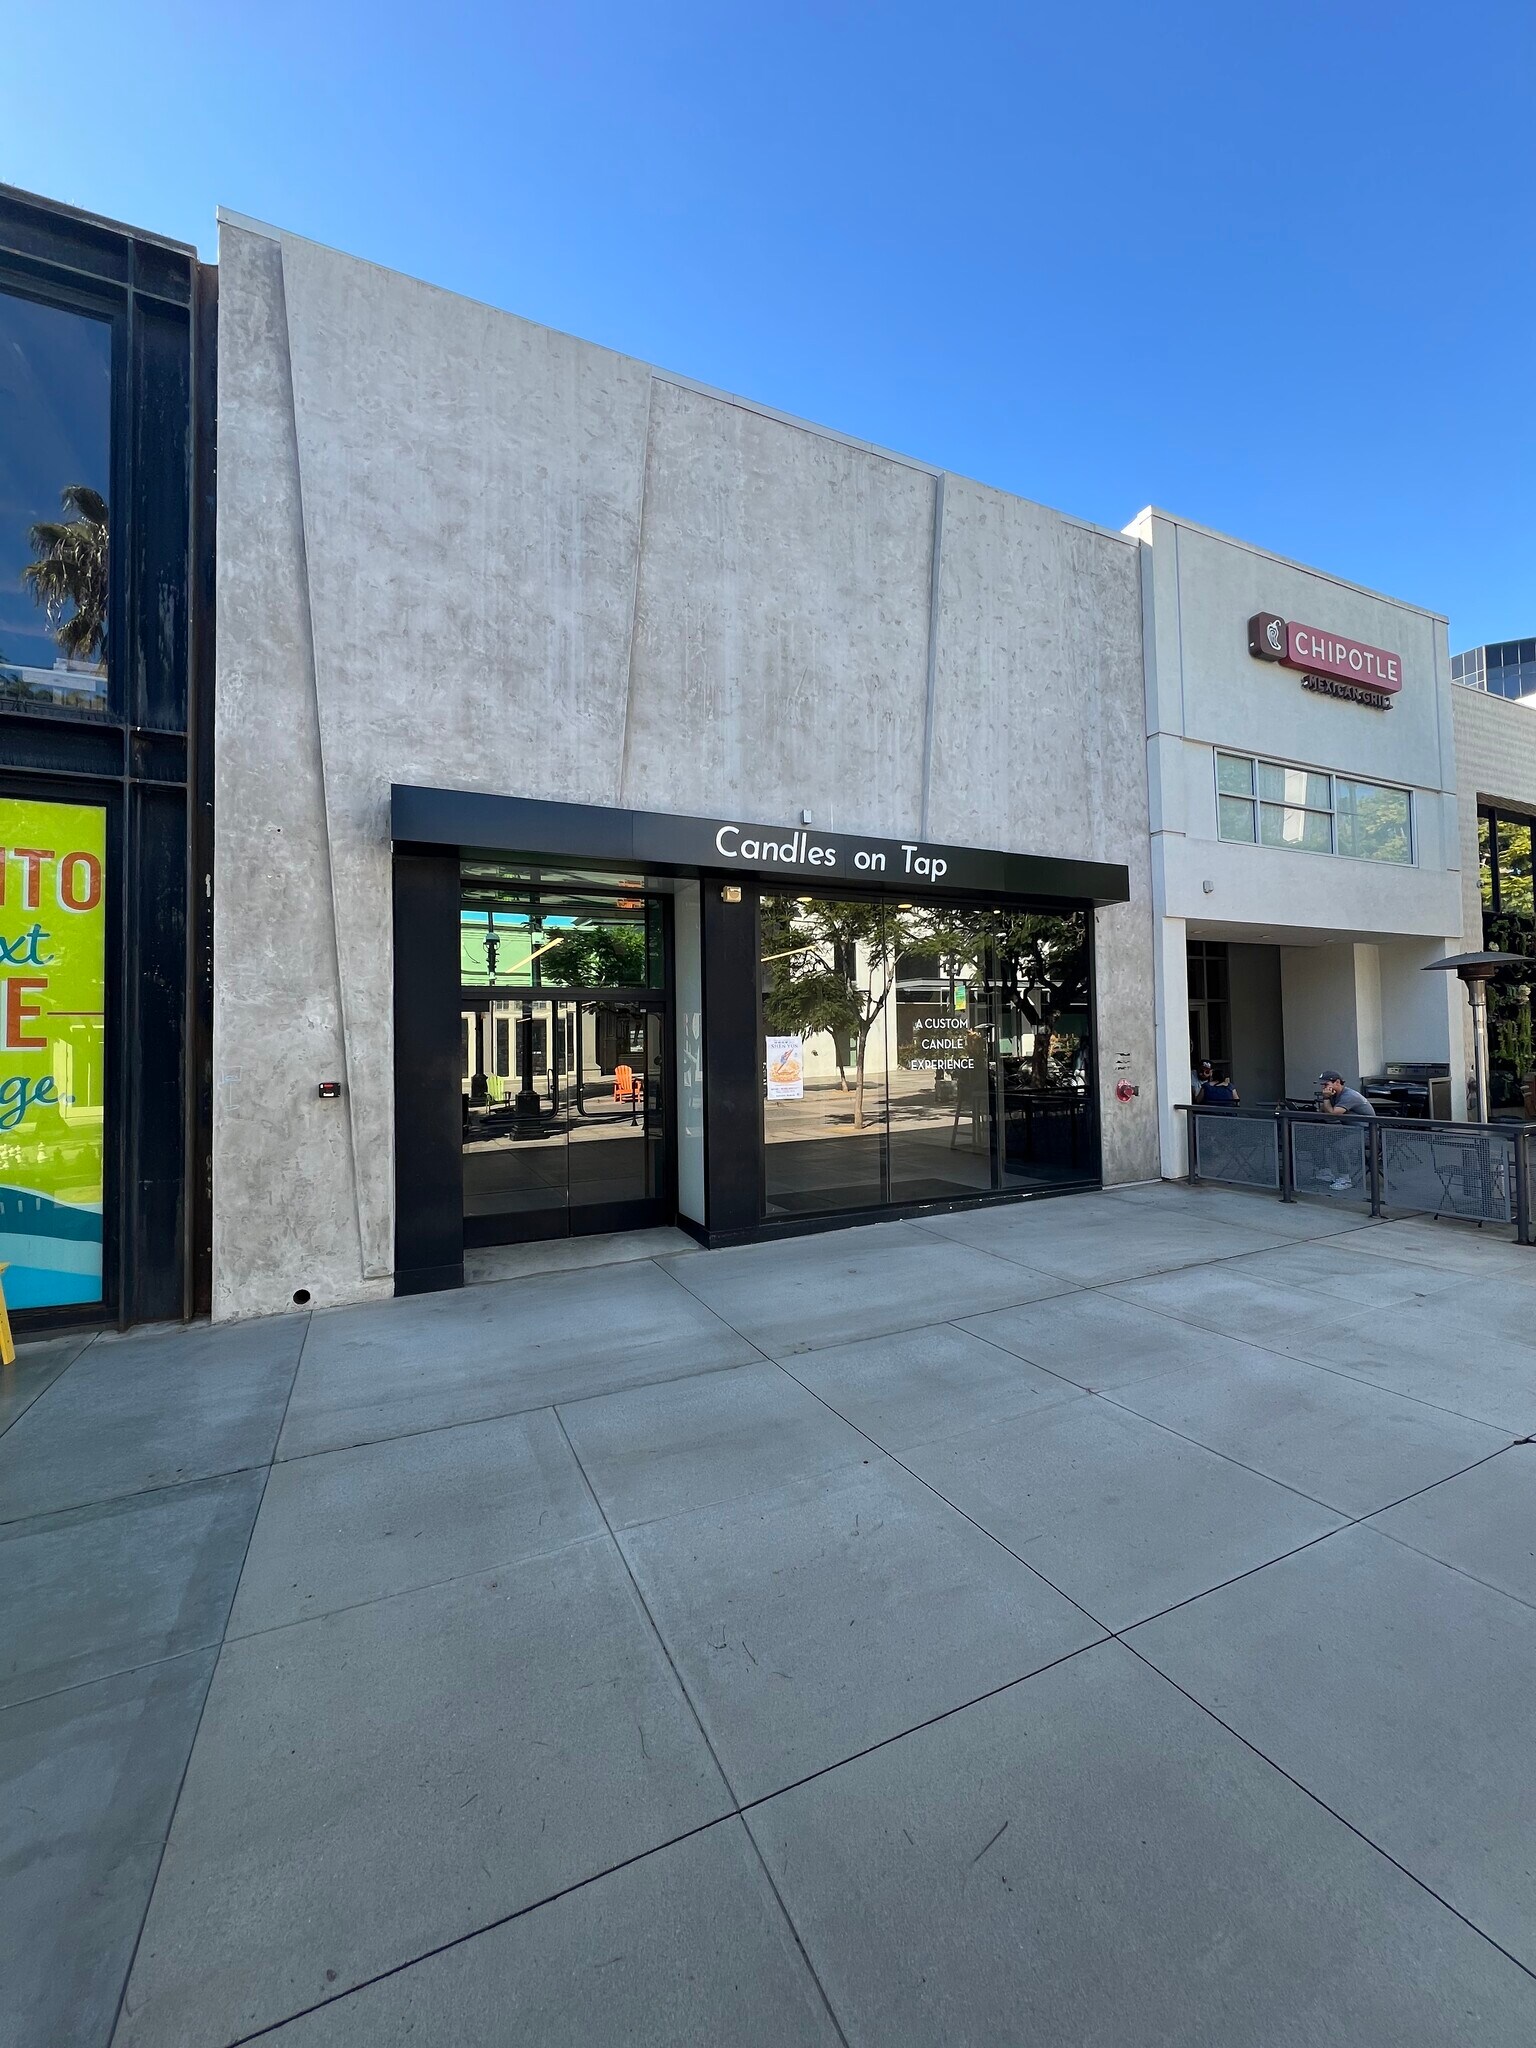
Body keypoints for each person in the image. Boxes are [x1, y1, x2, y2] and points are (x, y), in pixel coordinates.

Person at [1317, 1069, 1374, 1190]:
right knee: (1319, 1138)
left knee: (1339, 1147)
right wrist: (1327, 1099)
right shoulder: (1335, 1095)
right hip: (1351, 1130)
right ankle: (1326, 1171)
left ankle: (1345, 1179)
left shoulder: (1349, 1095)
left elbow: (1333, 1114)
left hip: (1368, 1133)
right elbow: (1322, 1110)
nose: (1323, 1088)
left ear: (1337, 1082)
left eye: (1326, 1084)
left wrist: (1326, 1099)